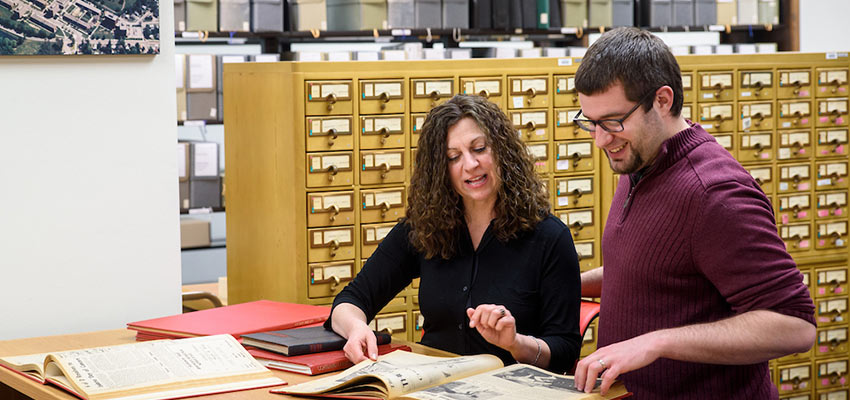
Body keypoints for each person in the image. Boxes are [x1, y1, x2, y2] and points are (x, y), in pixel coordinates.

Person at [571, 27, 816, 398]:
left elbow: (794, 325)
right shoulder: (639, 160)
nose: (601, 139)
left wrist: (657, 342)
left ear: (663, 100)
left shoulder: (713, 193)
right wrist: (561, 285)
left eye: (613, 122)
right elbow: (653, 270)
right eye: (590, 122)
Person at [324, 94, 582, 373]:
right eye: (453, 157)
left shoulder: (548, 237)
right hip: (433, 387)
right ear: (440, 170)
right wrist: (356, 328)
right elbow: (351, 300)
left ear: (502, 151)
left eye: (479, 148)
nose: (470, 164)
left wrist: (516, 342)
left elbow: (565, 352)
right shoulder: (424, 227)